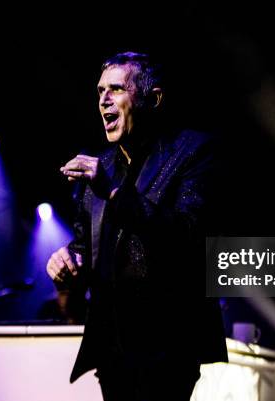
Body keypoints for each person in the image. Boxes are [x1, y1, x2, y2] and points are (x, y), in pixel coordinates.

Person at [46, 52, 227, 401]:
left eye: (116, 89)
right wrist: (67, 261)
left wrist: (113, 193)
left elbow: (187, 235)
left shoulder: (192, 152)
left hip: (167, 344)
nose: (103, 100)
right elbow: (88, 248)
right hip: (112, 347)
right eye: (100, 91)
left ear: (152, 99)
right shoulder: (99, 168)